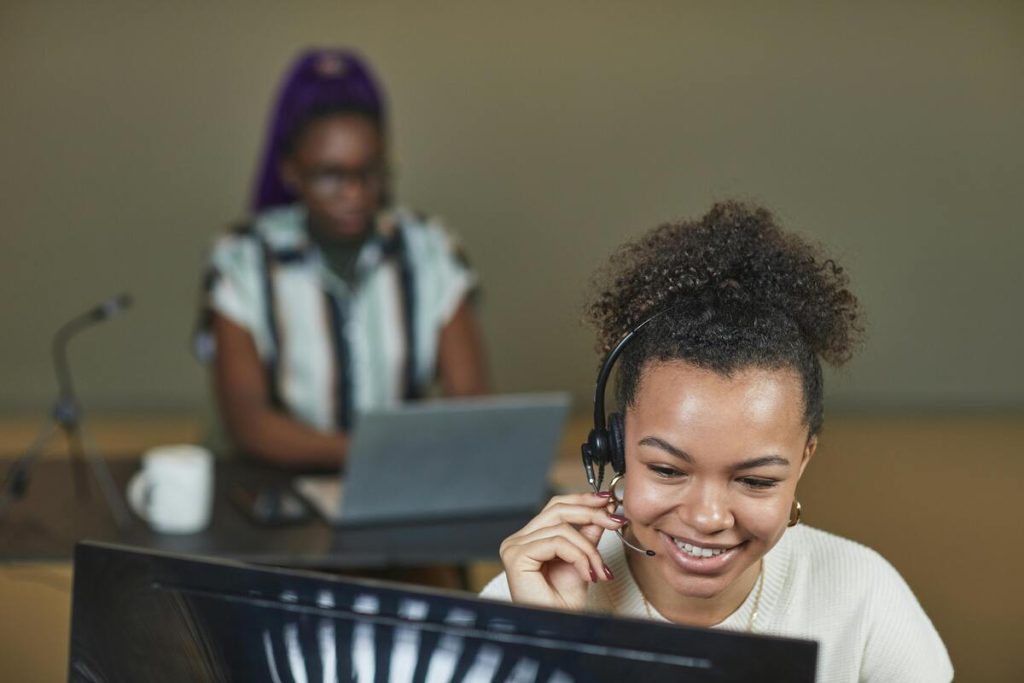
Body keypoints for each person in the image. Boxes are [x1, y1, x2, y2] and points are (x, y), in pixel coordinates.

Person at [482, 202, 953, 682]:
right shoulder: (525, 601)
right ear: (616, 448)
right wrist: (549, 645)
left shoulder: (865, 598)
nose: (707, 518)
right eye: (667, 470)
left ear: (804, 460)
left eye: (755, 480)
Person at [196, 50, 487, 468]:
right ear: (291, 172)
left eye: (368, 172)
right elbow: (248, 422)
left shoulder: (430, 250)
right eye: (330, 175)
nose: (353, 193)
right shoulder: (243, 259)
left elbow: (470, 404)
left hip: (401, 488)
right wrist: (375, 454)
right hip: (279, 488)